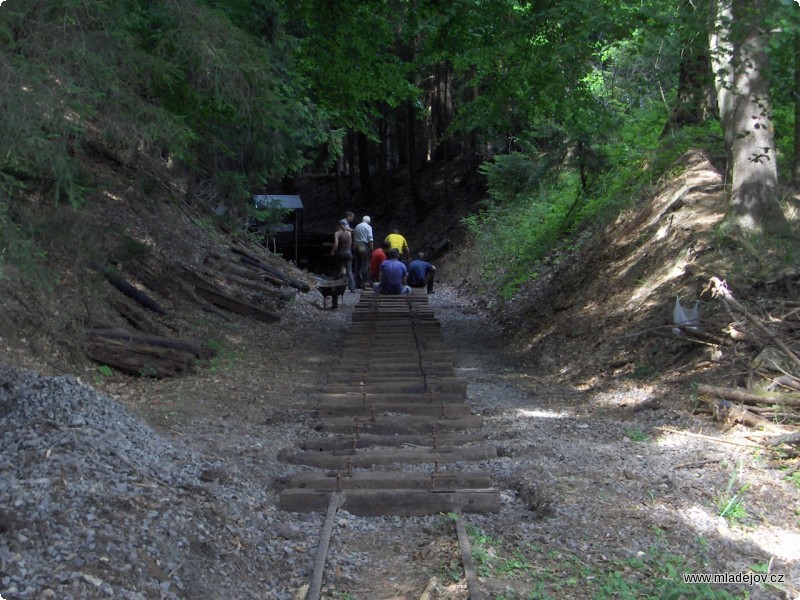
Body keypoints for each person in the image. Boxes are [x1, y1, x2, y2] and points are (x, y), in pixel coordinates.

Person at [330, 219, 356, 292]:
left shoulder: (337, 233)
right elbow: (350, 243)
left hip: (340, 252)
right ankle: (352, 287)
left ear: (339, 226)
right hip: (348, 252)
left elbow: (336, 245)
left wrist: (332, 251)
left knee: (337, 270)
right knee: (349, 271)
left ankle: (335, 287)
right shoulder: (349, 233)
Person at [352, 215, 373, 289]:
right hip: (362, 246)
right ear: (368, 221)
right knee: (364, 264)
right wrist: (371, 249)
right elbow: (370, 239)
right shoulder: (368, 227)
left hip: (355, 245)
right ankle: (364, 282)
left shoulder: (357, 226)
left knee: (357, 264)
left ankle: (357, 283)